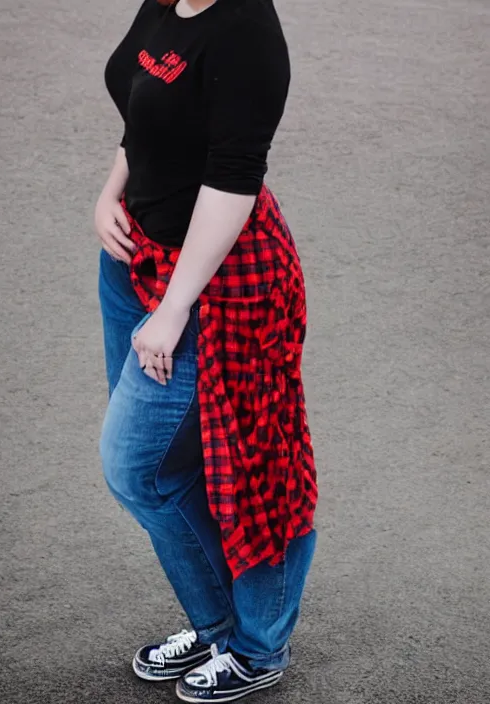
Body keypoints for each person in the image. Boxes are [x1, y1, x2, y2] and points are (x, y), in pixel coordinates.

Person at [96, 0, 318, 700]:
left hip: (218, 284)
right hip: (136, 259)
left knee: (175, 466)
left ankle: (255, 645)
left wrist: (172, 310)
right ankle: (220, 625)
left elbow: (233, 177)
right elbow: (139, 110)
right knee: (174, 462)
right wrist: (110, 193)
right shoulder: (167, 1)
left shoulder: (247, 31)